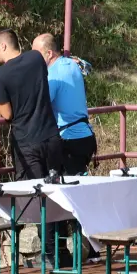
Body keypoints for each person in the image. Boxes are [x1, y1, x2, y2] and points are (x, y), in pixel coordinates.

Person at [0, 29, 62, 180]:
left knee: (30, 194)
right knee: (56, 191)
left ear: (3, 46)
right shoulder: (36, 57)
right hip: (51, 136)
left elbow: (7, 113)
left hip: (27, 143)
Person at [32, 33, 96, 175]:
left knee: (65, 190)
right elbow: (87, 67)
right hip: (86, 136)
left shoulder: (52, 75)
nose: (34, 59)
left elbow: (42, 104)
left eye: (36, 55)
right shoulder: (72, 64)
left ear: (49, 53)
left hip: (69, 139)